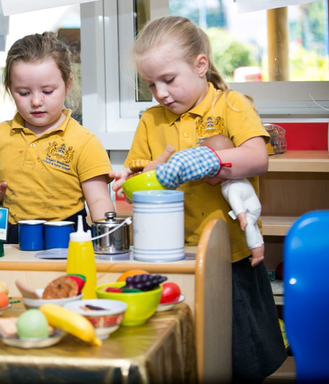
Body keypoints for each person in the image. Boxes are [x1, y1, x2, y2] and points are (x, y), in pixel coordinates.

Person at [110, 16, 286, 382]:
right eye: (150, 84)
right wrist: (132, 177)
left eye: (169, 80)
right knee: (185, 352)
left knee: (240, 356)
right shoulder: (151, 121)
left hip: (229, 256)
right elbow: (140, 178)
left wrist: (214, 161)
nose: (160, 93)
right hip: (172, 256)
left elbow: (258, 157)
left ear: (200, 65)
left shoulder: (231, 105)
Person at [0, 32, 115, 244]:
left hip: (66, 238)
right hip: (8, 238)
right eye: (24, 93)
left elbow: (98, 200)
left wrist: (107, 242)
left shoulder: (85, 141)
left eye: (48, 91)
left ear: (68, 86)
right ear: (10, 90)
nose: (36, 101)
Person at [201, 134, 265, 267]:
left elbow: (237, 205)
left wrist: (242, 219)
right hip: (249, 206)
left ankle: (258, 254)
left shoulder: (232, 188)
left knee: (250, 229)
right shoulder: (234, 180)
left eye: (207, 174)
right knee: (253, 229)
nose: (204, 178)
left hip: (248, 210)